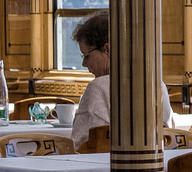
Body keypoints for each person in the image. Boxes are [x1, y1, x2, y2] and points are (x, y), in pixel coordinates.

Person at [70, 11, 175, 150]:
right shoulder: (157, 84)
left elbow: (80, 146)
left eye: (86, 56)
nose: (84, 64)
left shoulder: (98, 88)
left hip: (107, 169)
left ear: (107, 49)